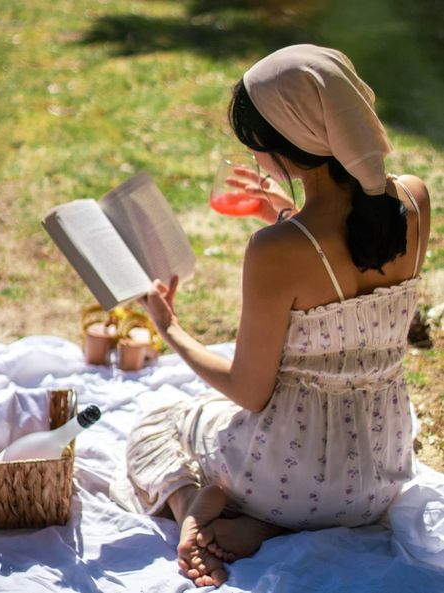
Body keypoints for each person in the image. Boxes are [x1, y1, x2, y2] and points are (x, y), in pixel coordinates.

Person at [110, 44, 431, 587]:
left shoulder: (277, 249)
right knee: (222, 423)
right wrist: (283, 211)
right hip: (379, 472)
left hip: (288, 478)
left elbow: (249, 391)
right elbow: (355, 254)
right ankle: (268, 524)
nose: (255, 160)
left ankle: (203, 505)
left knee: (161, 424)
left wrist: (171, 328)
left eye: (257, 147)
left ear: (286, 151)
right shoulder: (415, 200)